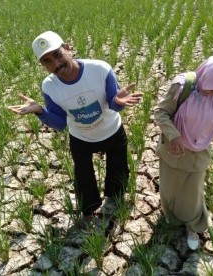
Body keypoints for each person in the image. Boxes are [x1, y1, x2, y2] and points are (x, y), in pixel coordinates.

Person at [8, 31, 142, 226]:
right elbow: (60, 123)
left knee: (118, 168)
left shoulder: (100, 69)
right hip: (81, 138)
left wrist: (118, 102)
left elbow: (114, 104)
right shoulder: (49, 87)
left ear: (68, 48)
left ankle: (115, 198)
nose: (56, 64)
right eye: (47, 61)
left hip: (111, 130)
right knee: (83, 176)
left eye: (57, 55)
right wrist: (40, 111)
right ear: (43, 66)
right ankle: (88, 211)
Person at [154, 56, 213, 250]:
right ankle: (172, 219)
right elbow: (160, 113)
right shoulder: (183, 87)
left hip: (199, 150)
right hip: (174, 149)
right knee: (170, 189)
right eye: (212, 87)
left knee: (193, 193)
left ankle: (193, 225)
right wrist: (173, 135)